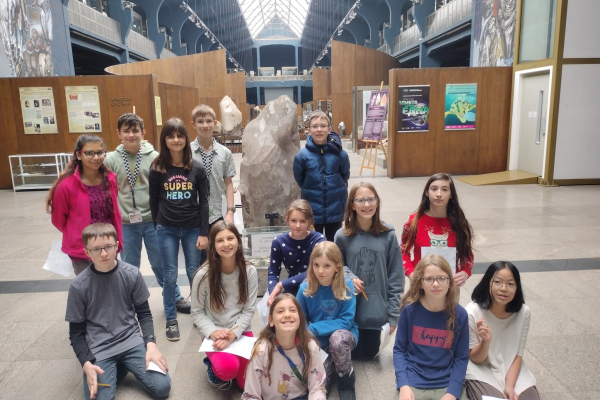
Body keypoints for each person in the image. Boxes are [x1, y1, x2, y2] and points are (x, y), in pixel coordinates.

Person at [65, 223, 171, 400]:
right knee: (99, 397)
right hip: (99, 348)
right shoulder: (78, 286)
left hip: (130, 340)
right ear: (87, 252)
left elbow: (144, 313)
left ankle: (122, 364)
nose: (104, 254)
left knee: (162, 387)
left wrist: (151, 345)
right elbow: (76, 333)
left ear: (117, 245)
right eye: (96, 249)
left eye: (108, 247)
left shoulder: (132, 274)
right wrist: (86, 363)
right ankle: (120, 366)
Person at [104, 113, 191, 314]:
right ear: (118, 133)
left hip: (154, 221)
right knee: (129, 265)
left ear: (143, 133)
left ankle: (175, 297)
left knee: (161, 263)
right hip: (126, 222)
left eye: (135, 131)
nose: (131, 135)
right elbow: (106, 190)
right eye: (126, 131)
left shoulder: (155, 158)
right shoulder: (111, 160)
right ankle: (129, 301)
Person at [149, 118, 209, 341]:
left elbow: (204, 202)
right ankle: (171, 319)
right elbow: (153, 200)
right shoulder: (157, 168)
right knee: (170, 274)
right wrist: (158, 225)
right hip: (167, 229)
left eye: (180, 135)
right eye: (171, 136)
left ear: (185, 138)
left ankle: (199, 314)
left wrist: (204, 232)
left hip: (192, 227)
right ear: (164, 140)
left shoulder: (197, 168)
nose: (176, 140)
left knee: (194, 272)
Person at [334, 182, 404, 359]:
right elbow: (336, 267)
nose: (367, 205)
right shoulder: (342, 236)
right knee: (353, 354)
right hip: (350, 312)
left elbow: (396, 275)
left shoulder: (388, 234)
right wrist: (349, 278)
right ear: (352, 205)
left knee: (370, 354)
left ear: (377, 202)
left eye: (371, 199)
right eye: (361, 200)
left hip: (376, 313)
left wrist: (393, 314)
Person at [191, 221, 258, 390]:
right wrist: (213, 331)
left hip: (240, 330)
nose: (226, 244)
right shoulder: (203, 275)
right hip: (215, 332)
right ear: (213, 245)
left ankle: (229, 361)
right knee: (228, 369)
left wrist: (232, 335)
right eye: (220, 240)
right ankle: (212, 364)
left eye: (230, 238)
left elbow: (249, 309)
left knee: (246, 384)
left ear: (238, 241)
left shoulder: (249, 271)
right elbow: (197, 312)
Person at [393, 254, 468, 400]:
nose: (436, 284)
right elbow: (399, 351)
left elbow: (461, 358)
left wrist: (452, 392)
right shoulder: (409, 311)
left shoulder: (460, 315)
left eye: (442, 278)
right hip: (413, 381)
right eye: (429, 279)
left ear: (450, 282)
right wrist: (403, 385)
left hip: (446, 382)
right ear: (420, 282)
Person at [46, 134, 122, 275]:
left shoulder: (110, 180)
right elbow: (58, 220)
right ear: (79, 155)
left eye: (99, 152)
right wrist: (75, 232)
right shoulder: (66, 185)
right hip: (82, 248)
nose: (96, 157)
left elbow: (112, 212)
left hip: (107, 245)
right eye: (89, 153)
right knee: (87, 285)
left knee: (109, 282)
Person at [464, 262, 539, 400]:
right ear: (488, 283)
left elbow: (518, 354)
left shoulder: (524, 312)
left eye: (510, 284)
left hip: (511, 368)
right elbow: (475, 359)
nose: (504, 289)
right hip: (481, 369)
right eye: (498, 282)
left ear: (517, 287)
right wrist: (485, 342)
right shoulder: (472, 312)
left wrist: (510, 386)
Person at [297, 242, 359, 400]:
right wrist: (308, 336)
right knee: (318, 386)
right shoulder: (305, 288)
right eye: (316, 265)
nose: (320, 271)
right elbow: (300, 319)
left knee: (337, 341)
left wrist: (313, 329)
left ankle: (346, 380)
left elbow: (346, 321)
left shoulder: (347, 285)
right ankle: (331, 365)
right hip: (317, 341)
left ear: (337, 267)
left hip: (344, 334)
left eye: (326, 266)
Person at [242, 294, 327, 400]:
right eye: (280, 311)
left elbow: (317, 389)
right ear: (271, 320)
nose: (287, 315)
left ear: (300, 318)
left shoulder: (310, 347)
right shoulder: (261, 350)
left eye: (292, 310)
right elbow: (251, 395)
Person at [401, 173, 474, 290]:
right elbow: (402, 252)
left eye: (444, 189)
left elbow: (467, 253)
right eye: (434, 189)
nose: (439, 194)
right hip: (421, 284)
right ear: (427, 192)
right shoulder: (412, 221)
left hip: (450, 286)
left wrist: (466, 271)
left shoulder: (460, 223)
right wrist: (411, 273)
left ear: (451, 194)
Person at [293, 111, 350, 242]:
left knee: (333, 244)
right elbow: (300, 179)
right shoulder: (302, 156)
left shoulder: (340, 154)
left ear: (329, 130)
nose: (319, 129)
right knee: (313, 244)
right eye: (315, 126)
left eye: (323, 126)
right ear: (309, 130)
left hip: (335, 208)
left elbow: (344, 175)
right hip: (312, 210)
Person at [267, 200, 326, 305]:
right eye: (294, 220)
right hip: (293, 287)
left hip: (317, 285)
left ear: (309, 221)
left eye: (302, 221)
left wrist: (282, 284)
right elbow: (273, 271)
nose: (298, 225)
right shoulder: (279, 242)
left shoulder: (318, 240)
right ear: (287, 220)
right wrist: (273, 294)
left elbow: (315, 270)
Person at [190, 104, 236, 230]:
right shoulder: (187, 152)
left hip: (219, 213)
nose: (205, 125)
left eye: (209, 121)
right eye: (200, 121)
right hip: (193, 213)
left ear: (215, 123)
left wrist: (230, 212)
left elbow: (228, 183)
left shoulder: (225, 153)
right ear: (193, 124)